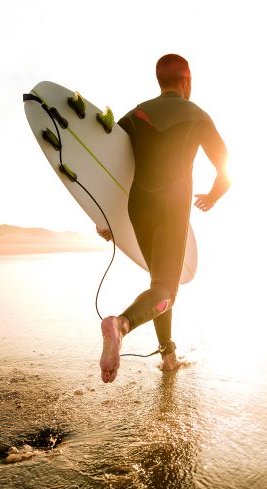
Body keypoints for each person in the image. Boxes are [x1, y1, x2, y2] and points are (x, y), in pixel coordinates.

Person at [97, 54, 230, 383]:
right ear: (186, 80)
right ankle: (121, 324)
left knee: (159, 285)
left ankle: (168, 354)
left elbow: (108, 164)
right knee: (165, 290)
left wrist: (106, 218)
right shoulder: (197, 115)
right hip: (172, 209)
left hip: (137, 207)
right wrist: (212, 197)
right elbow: (226, 170)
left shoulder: (135, 114)